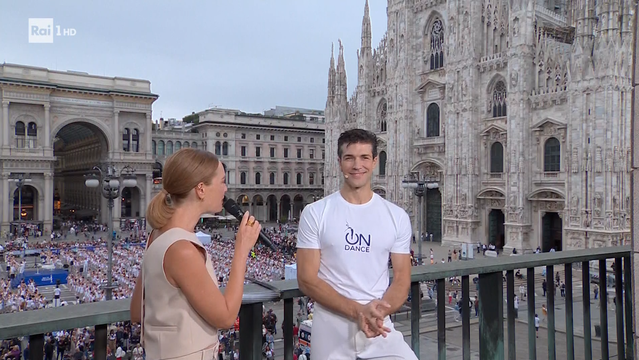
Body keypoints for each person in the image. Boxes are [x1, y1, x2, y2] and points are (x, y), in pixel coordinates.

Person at [130, 148, 262, 360]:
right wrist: (242, 249)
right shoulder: (182, 249)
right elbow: (226, 317)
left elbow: (137, 311)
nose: (226, 189)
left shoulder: (156, 235)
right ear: (201, 189)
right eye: (221, 182)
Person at [297, 129, 417, 359]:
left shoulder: (397, 216)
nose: (357, 165)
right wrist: (358, 311)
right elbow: (306, 279)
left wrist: (377, 313)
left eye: (364, 158)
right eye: (349, 158)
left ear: (374, 162)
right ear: (340, 163)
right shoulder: (315, 213)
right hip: (331, 330)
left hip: (379, 327)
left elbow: (402, 278)